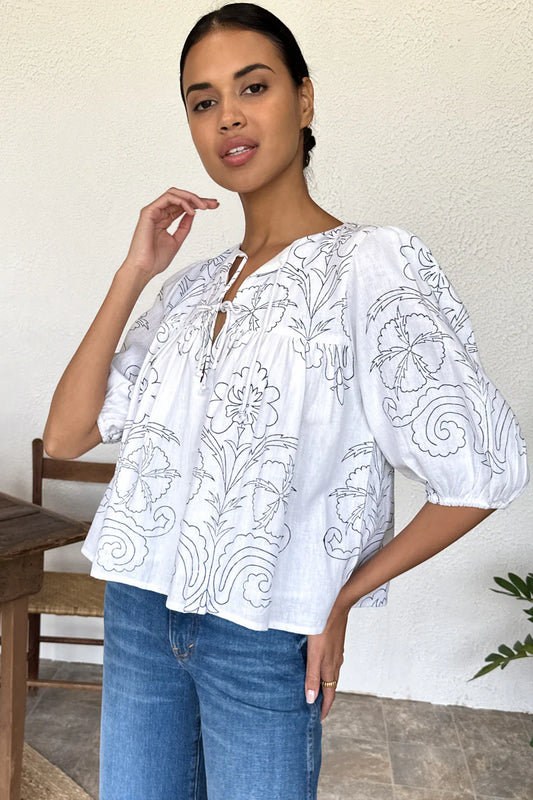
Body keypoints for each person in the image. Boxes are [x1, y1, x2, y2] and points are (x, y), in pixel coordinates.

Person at [42, 3, 529, 799]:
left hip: (264, 632)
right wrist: (134, 272)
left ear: (303, 100)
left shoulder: (370, 265)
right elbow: (67, 435)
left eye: (253, 87)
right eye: (203, 101)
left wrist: (341, 598)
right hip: (138, 614)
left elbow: (484, 471)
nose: (227, 116)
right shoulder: (191, 289)